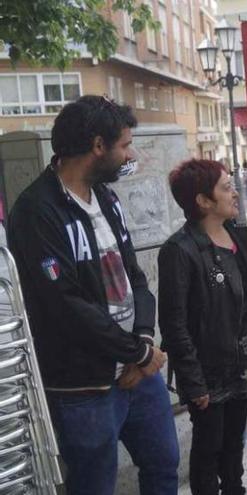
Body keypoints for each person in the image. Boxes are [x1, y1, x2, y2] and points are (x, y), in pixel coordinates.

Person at [7, 95, 178, 494]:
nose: (129, 154)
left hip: (140, 374)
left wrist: (144, 342)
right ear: (97, 146)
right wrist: (135, 352)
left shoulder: (105, 195)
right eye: (124, 145)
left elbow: (135, 276)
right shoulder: (36, 210)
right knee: (93, 486)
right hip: (84, 389)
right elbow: (65, 305)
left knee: (163, 466)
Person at [159, 159, 247, 494]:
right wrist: (194, 383)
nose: (235, 192)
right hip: (207, 371)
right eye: (226, 187)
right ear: (203, 201)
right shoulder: (179, 250)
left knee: (235, 444)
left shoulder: (235, 235)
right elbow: (174, 322)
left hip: (241, 362)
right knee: (209, 449)